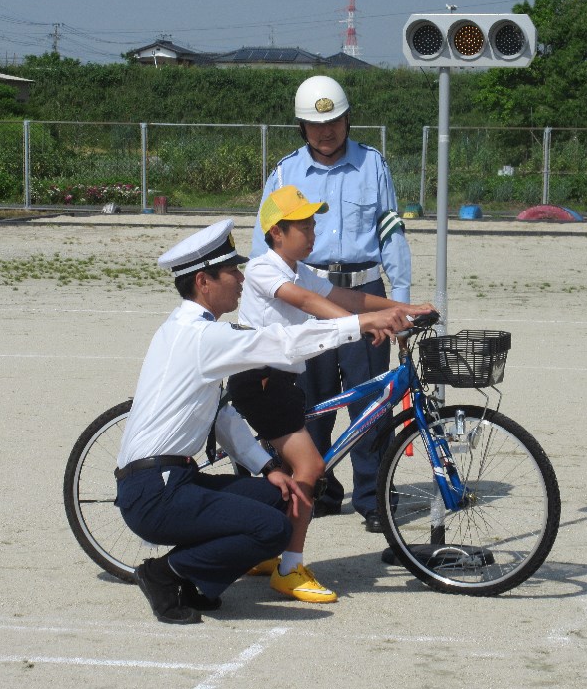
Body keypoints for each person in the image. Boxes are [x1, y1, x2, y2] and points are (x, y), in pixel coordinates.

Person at [115, 218, 413, 625]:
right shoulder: (201, 337)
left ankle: (193, 576)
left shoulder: (190, 329)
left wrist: (269, 467)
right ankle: (165, 573)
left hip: (172, 481)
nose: (240, 278)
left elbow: (223, 415)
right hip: (156, 492)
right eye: (231, 271)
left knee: (279, 497)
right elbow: (278, 342)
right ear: (204, 281)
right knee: (272, 529)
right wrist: (358, 324)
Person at [228, 186, 434, 602]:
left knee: (289, 465)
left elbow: (346, 295)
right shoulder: (264, 270)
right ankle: (289, 568)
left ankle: (266, 549)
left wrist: (400, 308)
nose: (312, 231)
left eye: (313, 222)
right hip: (260, 381)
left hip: (282, 381)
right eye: (302, 224)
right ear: (276, 233)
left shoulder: (297, 267)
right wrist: (364, 324)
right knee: (310, 466)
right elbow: (305, 301)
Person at [249, 75, 412, 533]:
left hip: (363, 290)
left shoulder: (373, 164)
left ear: (347, 119)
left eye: (335, 121)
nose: (327, 131)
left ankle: (373, 497)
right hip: (309, 298)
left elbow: (390, 234)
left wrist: (397, 302)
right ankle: (317, 487)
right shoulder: (285, 172)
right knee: (312, 403)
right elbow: (264, 244)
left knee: (373, 404)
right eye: (316, 124)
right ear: (302, 127)